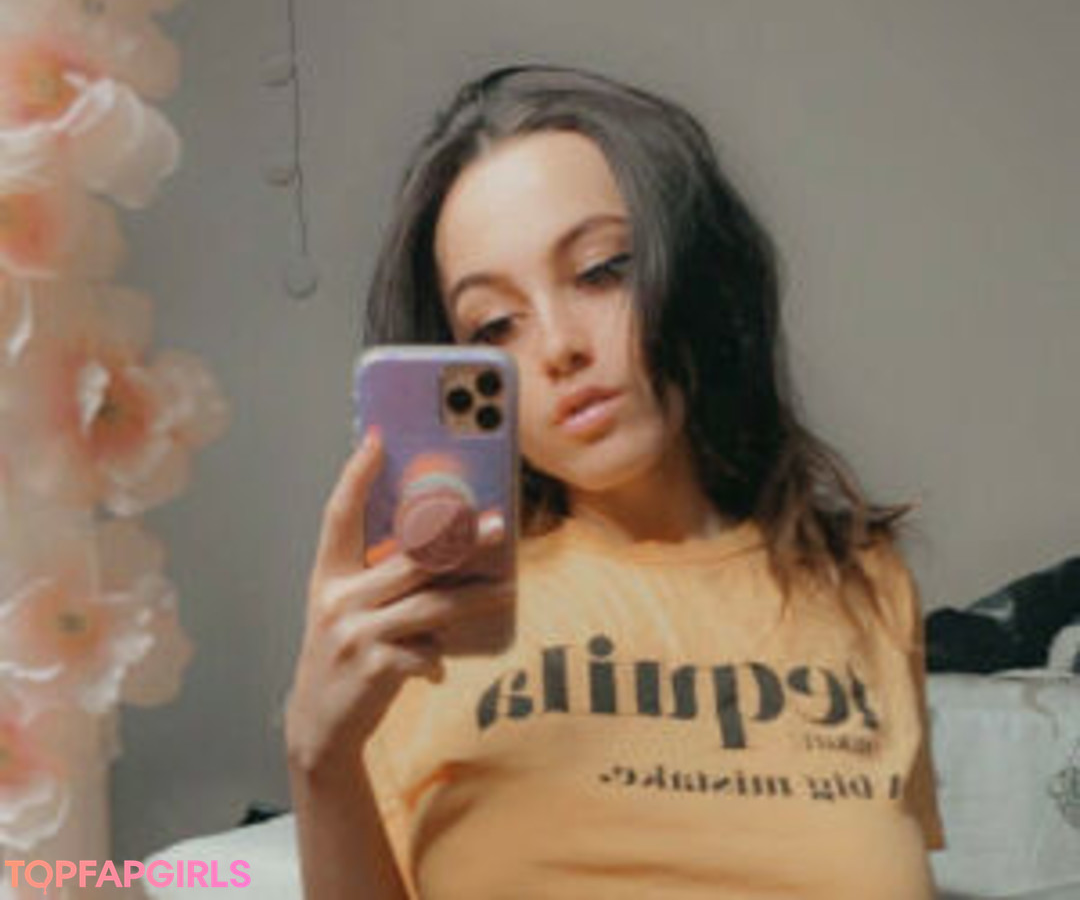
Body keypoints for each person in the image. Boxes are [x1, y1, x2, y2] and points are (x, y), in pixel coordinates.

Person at [283, 64, 946, 899]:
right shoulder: (434, 612)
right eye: (495, 324)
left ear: (696, 267)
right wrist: (318, 755)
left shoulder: (867, 583)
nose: (558, 346)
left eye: (601, 271)